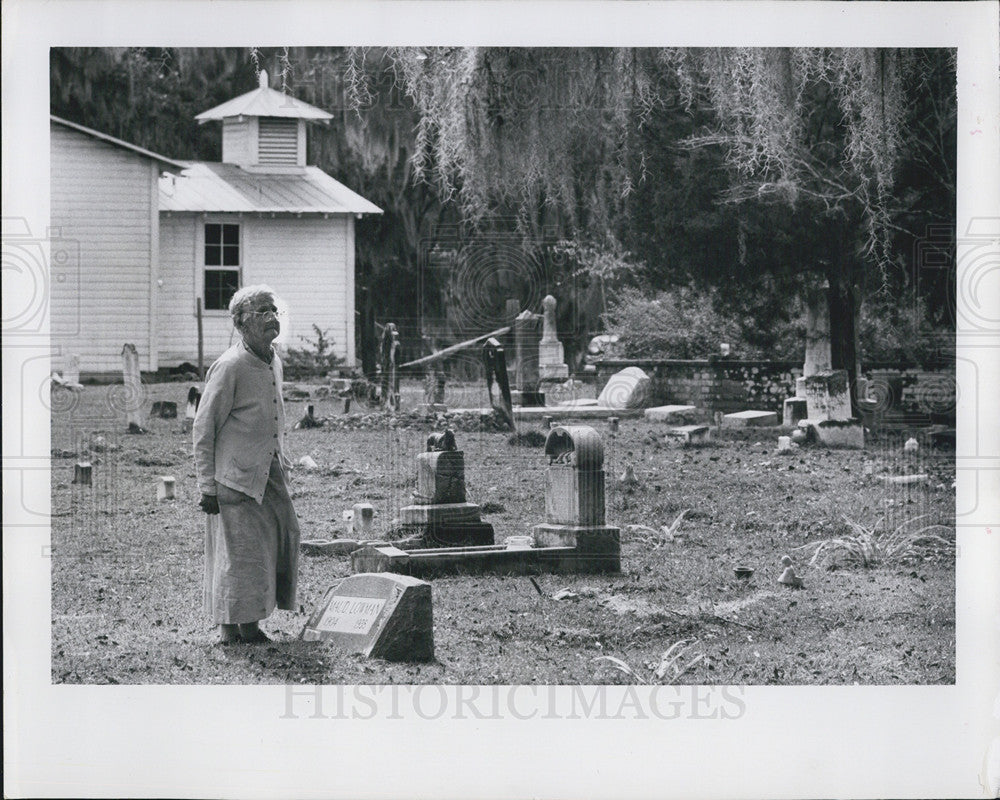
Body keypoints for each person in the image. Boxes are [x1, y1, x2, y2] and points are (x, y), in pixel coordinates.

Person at [193, 284, 300, 645]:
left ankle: (250, 624)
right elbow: (203, 428)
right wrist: (207, 486)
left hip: (267, 472)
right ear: (241, 323)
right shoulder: (229, 366)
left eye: (274, 310)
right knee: (236, 554)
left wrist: (281, 462)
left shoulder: (273, 360)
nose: (272, 318)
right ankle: (232, 631)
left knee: (269, 546)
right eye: (261, 312)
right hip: (234, 478)